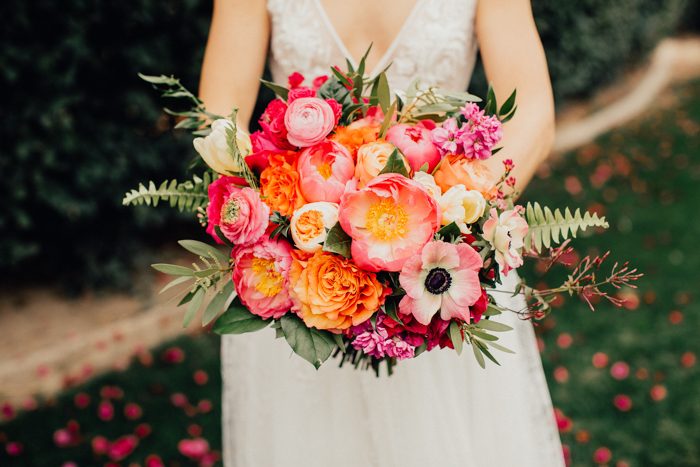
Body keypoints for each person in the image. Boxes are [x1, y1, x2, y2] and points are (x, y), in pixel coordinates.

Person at [200, 1, 563, 465]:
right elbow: (215, 122)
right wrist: (283, 222)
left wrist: (461, 215)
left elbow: (533, 111)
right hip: (298, 280)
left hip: (439, 277)